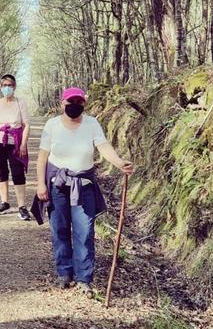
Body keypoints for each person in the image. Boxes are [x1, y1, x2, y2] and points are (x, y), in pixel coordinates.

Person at [36, 87, 134, 297]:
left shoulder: (91, 124)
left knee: (85, 231)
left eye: (79, 102)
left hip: (84, 185)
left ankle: (84, 278)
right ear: (62, 103)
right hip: (57, 185)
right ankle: (64, 272)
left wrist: (119, 163)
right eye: (70, 102)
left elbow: (103, 146)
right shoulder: (52, 125)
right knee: (59, 228)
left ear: (84, 104)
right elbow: (42, 157)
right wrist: (40, 184)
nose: (74, 106)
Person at [0, 74, 31, 220]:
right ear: (0, 87)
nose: (7, 88)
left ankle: (22, 207)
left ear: (14, 87)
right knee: (1, 171)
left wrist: (23, 144)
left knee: (18, 172)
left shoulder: (20, 103)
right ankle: (4, 202)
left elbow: (26, 125)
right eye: (4, 85)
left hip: (15, 142)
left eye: (10, 85)